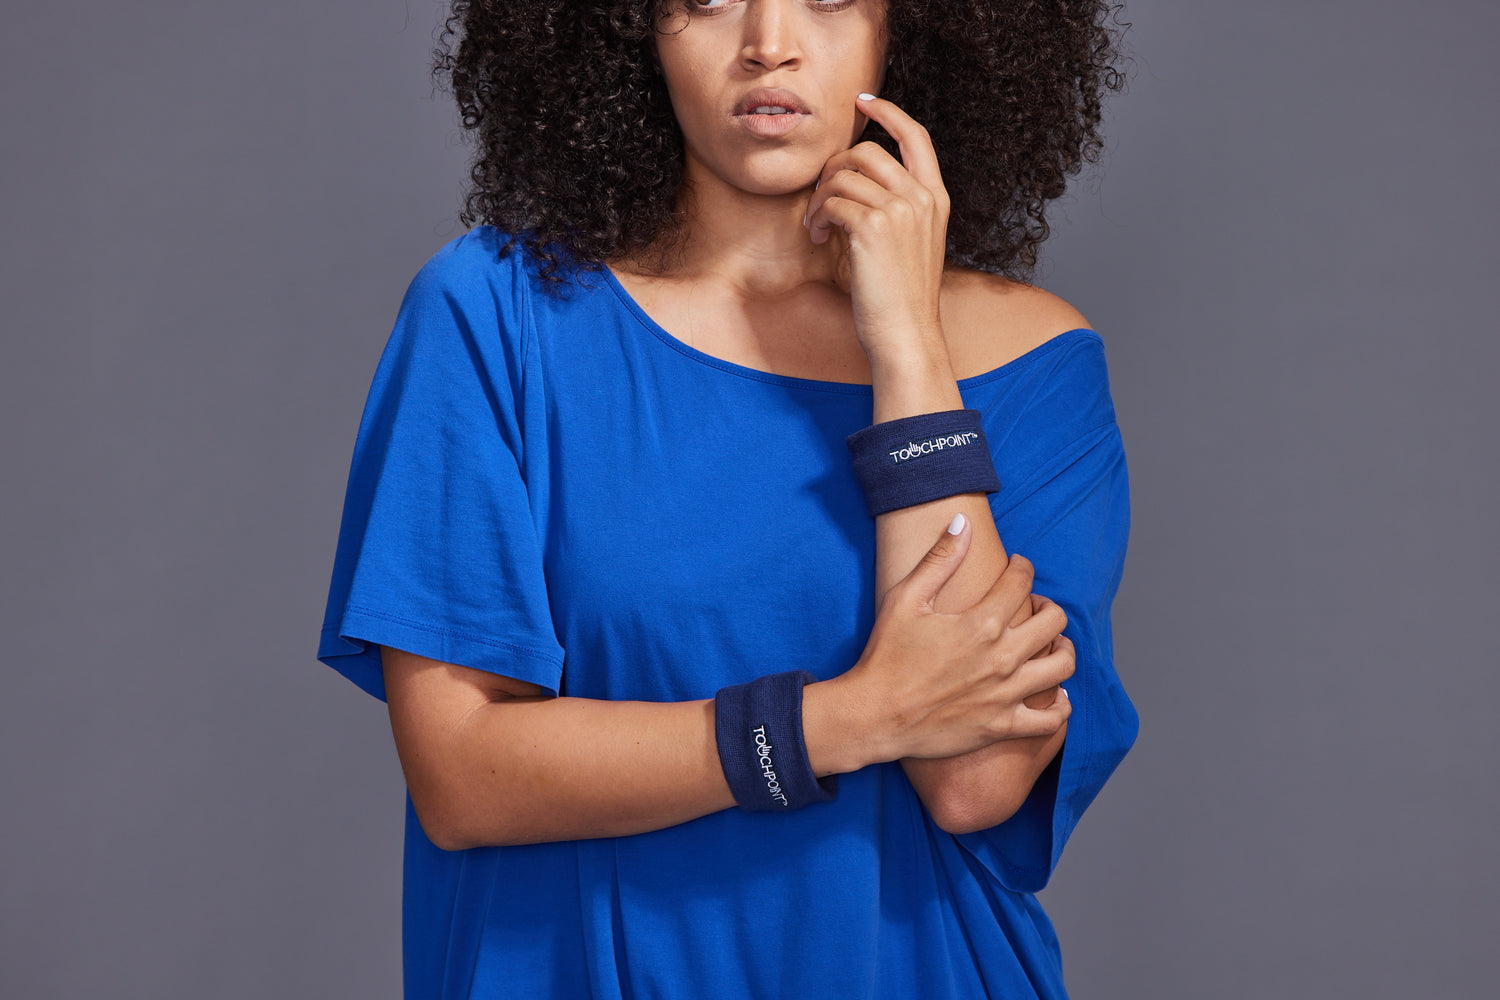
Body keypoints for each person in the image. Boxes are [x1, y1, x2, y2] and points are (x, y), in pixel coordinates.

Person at [318, 0, 1137, 996]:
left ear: (908, 25)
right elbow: (462, 774)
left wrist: (910, 347)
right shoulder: (493, 320)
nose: (768, 42)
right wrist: (848, 719)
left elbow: (972, 779)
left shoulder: (1033, 361)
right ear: (626, 30)